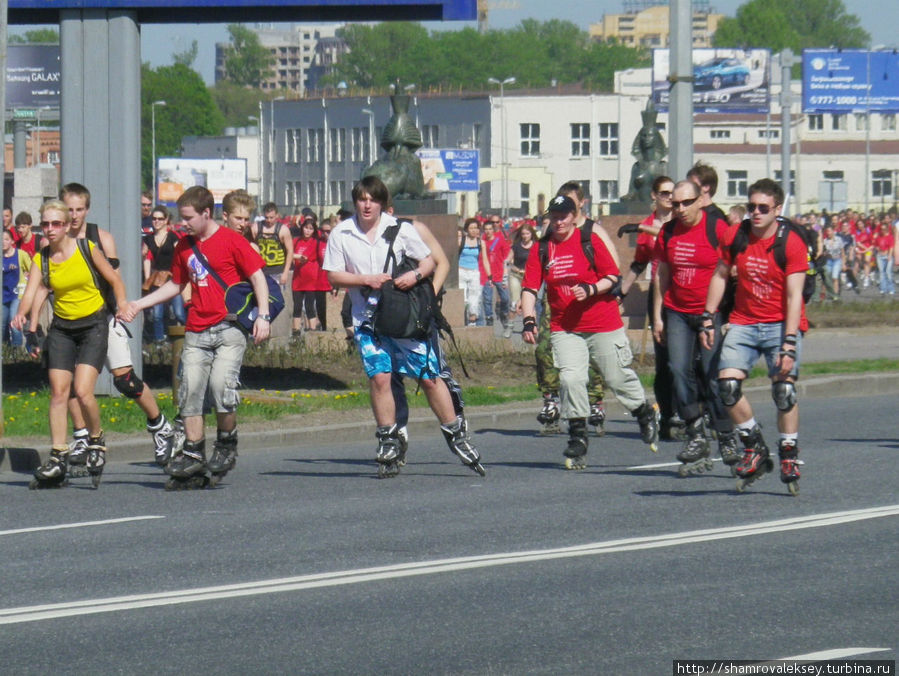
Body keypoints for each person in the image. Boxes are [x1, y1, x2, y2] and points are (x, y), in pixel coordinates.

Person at [322, 175, 485, 479]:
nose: (367, 204)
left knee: (429, 378)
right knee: (380, 378)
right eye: (361, 199)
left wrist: (416, 276)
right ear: (355, 202)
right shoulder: (342, 233)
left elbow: (428, 261)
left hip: (404, 318)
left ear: (382, 203)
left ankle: (455, 433)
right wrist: (364, 280)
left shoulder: (400, 230)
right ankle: (387, 437)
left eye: (373, 199)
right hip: (367, 320)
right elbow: (332, 275)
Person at [119, 185, 271, 489]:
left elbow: (257, 277)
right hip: (197, 328)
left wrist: (263, 316)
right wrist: (139, 303)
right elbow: (176, 284)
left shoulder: (232, 241)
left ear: (206, 213)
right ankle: (193, 451)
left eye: (188, 217)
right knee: (189, 391)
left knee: (221, 388)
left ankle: (226, 443)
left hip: (229, 327)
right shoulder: (184, 247)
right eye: (181, 217)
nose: (183, 222)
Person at [37, 183, 176, 468]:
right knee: (70, 383)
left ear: (87, 210)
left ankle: (159, 425)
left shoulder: (100, 238)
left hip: (103, 317)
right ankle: (81, 435)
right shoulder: (49, 244)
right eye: (69, 209)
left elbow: (115, 280)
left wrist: (121, 308)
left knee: (124, 379)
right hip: (67, 321)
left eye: (79, 210)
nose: (74, 216)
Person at [521, 194, 659, 470]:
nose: (559, 222)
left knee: (616, 377)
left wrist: (590, 289)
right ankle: (578, 437)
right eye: (554, 217)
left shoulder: (588, 240)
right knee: (571, 379)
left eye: (564, 216)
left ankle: (644, 413)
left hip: (602, 323)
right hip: (565, 327)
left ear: (574, 216)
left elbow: (612, 277)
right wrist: (528, 320)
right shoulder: (542, 249)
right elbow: (530, 288)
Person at [700, 178, 808, 495]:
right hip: (745, 320)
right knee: (727, 386)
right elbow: (720, 274)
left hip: (780, 323)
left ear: (777, 209)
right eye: (751, 207)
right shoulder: (738, 234)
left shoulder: (791, 242)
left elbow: (793, 297)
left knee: (783, 391)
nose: (756, 213)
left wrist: (789, 343)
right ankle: (754, 445)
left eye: (763, 208)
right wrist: (708, 317)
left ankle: (788, 452)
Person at [13, 200, 126, 489]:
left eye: (55, 224)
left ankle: (97, 440)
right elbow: (33, 289)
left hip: (93, 325)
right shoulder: (43, 259)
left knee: (83, 390)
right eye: (45, 225)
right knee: (58, 393)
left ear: (65, 226)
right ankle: (58, 454)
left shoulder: (86, 249)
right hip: (62, 328)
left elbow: (114, 279)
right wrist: (23, 314)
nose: (49, 230)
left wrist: (123, 303)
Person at [652, 180, 741, 474]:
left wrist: (727, 313)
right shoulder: (667, 232)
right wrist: (658, 316)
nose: (680, 209)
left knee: (713, 374)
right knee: (678, 370)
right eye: (675, 204)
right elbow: (662, 274)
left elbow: (733, 268)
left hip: (709, 313)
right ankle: (696, 433)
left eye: (686, 203)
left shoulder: (716, 229)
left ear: (700, 201)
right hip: (677, 311)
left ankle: (726, 436)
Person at [533, 181, 612, 436]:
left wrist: (609, 291)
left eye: (570, 202)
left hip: (588, 301)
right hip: (556, 303)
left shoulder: (592, 231)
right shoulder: (550, 230)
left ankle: (595, 401)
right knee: (545, 349)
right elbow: (540, 259)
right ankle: (551, 400)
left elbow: (613, 267)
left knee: (590, 354)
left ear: (580, 205)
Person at [618, 175, 683, 441]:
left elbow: (673, 238)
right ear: (654, 196)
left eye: (673, 192)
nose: (670, 197)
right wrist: (621, 291)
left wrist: (643, 230)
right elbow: (640, 262)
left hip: (686, 290)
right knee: (665, 361)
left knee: (686, 360)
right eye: (665, 193)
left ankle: (694, 412)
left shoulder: (682, 221)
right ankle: (669, 414)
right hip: (660, 291)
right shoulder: (646, 225)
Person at [142, 205, 186, 343]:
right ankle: (159, 341)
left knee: (179, 313)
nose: (156, 222)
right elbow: (146, 259)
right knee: (157, 314)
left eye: (160, 219)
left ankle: (187, 338)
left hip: (173, 277)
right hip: (158, 278)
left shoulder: (173, 237)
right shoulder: (148, 239)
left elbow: (180, 256)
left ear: (166, 220)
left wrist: (180, 274)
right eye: (154, 219)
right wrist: (147, 278)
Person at [291, 218, 326, 335]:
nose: (307, 231)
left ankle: (313, 334)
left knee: (309, 307)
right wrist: (293, 255)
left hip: (311, 280)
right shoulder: (296, 241)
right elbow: (288, 252)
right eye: (306, 228)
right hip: (297, 279)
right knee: (296, 307)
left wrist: (293, 255)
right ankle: (295, 334)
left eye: (311, 229)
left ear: (314, 231)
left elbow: (304, 257)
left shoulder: (314, 242)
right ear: (302, 228)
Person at [481, 215, 512, 337]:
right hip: (486, 275)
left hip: (499, 274)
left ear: (493, 229)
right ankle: (489, 319)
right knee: (487, 299)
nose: (488, 231)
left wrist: (505, 275)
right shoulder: (482, 241)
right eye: (486, 229)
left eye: (490, 228)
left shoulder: (500, 240)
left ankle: (503, 313)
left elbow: (507, 257)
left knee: (505, 298)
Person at [253, 202, 293, 287]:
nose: (269, 220)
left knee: (277, 298)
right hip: (261, 270)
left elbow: (290, 251)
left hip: (278, 271)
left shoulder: (283, 230)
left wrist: (285, 273)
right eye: (266, 217)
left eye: (271, 217)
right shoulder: (256, 227)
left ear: (277, 216)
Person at [2, 229, 31, 348]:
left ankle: (17, 349)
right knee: (2, 324)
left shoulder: (20, 254)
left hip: (16, 294)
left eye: (6, 239)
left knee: (14, 321)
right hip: (3, 295)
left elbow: (33, 268)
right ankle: (5, 350)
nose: (3, 242)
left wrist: (27, 275)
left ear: (12, 241)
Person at [457, 218, 487, 326]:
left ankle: (472, 321)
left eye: (476, 228)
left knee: (474, 298)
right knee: (463, 298)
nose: (474, 230)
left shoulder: (481, 242)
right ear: (466, 229)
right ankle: (461, 320)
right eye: (471, 228)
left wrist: (490, 276)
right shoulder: (461, 241)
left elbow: (485, 260)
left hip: (474, 272)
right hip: (461, 272)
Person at [508, 222, 535, 314]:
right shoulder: (516, 246)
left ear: (532, 234)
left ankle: (530, 324)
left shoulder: (536, 246)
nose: (525, 236)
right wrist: (513, 267)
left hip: (530, 277)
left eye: (527, 234)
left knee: (529, 301)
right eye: (523, 234)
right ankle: (510, 325)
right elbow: (507, 261)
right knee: (515, 301)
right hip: (515, 275)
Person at [874, 221, 895, 296]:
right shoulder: (878, 237)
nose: (882, 231)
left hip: (887, 255)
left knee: (888, 272)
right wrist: (878, 249)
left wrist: (889, 255)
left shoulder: (890, 237)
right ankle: (883, 288)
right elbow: (876, 245)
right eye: (881, 229)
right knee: (881, 272)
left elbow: (891, 247)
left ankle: (891, 288)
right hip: (880, 256)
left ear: (887, 229)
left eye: (884, 229)